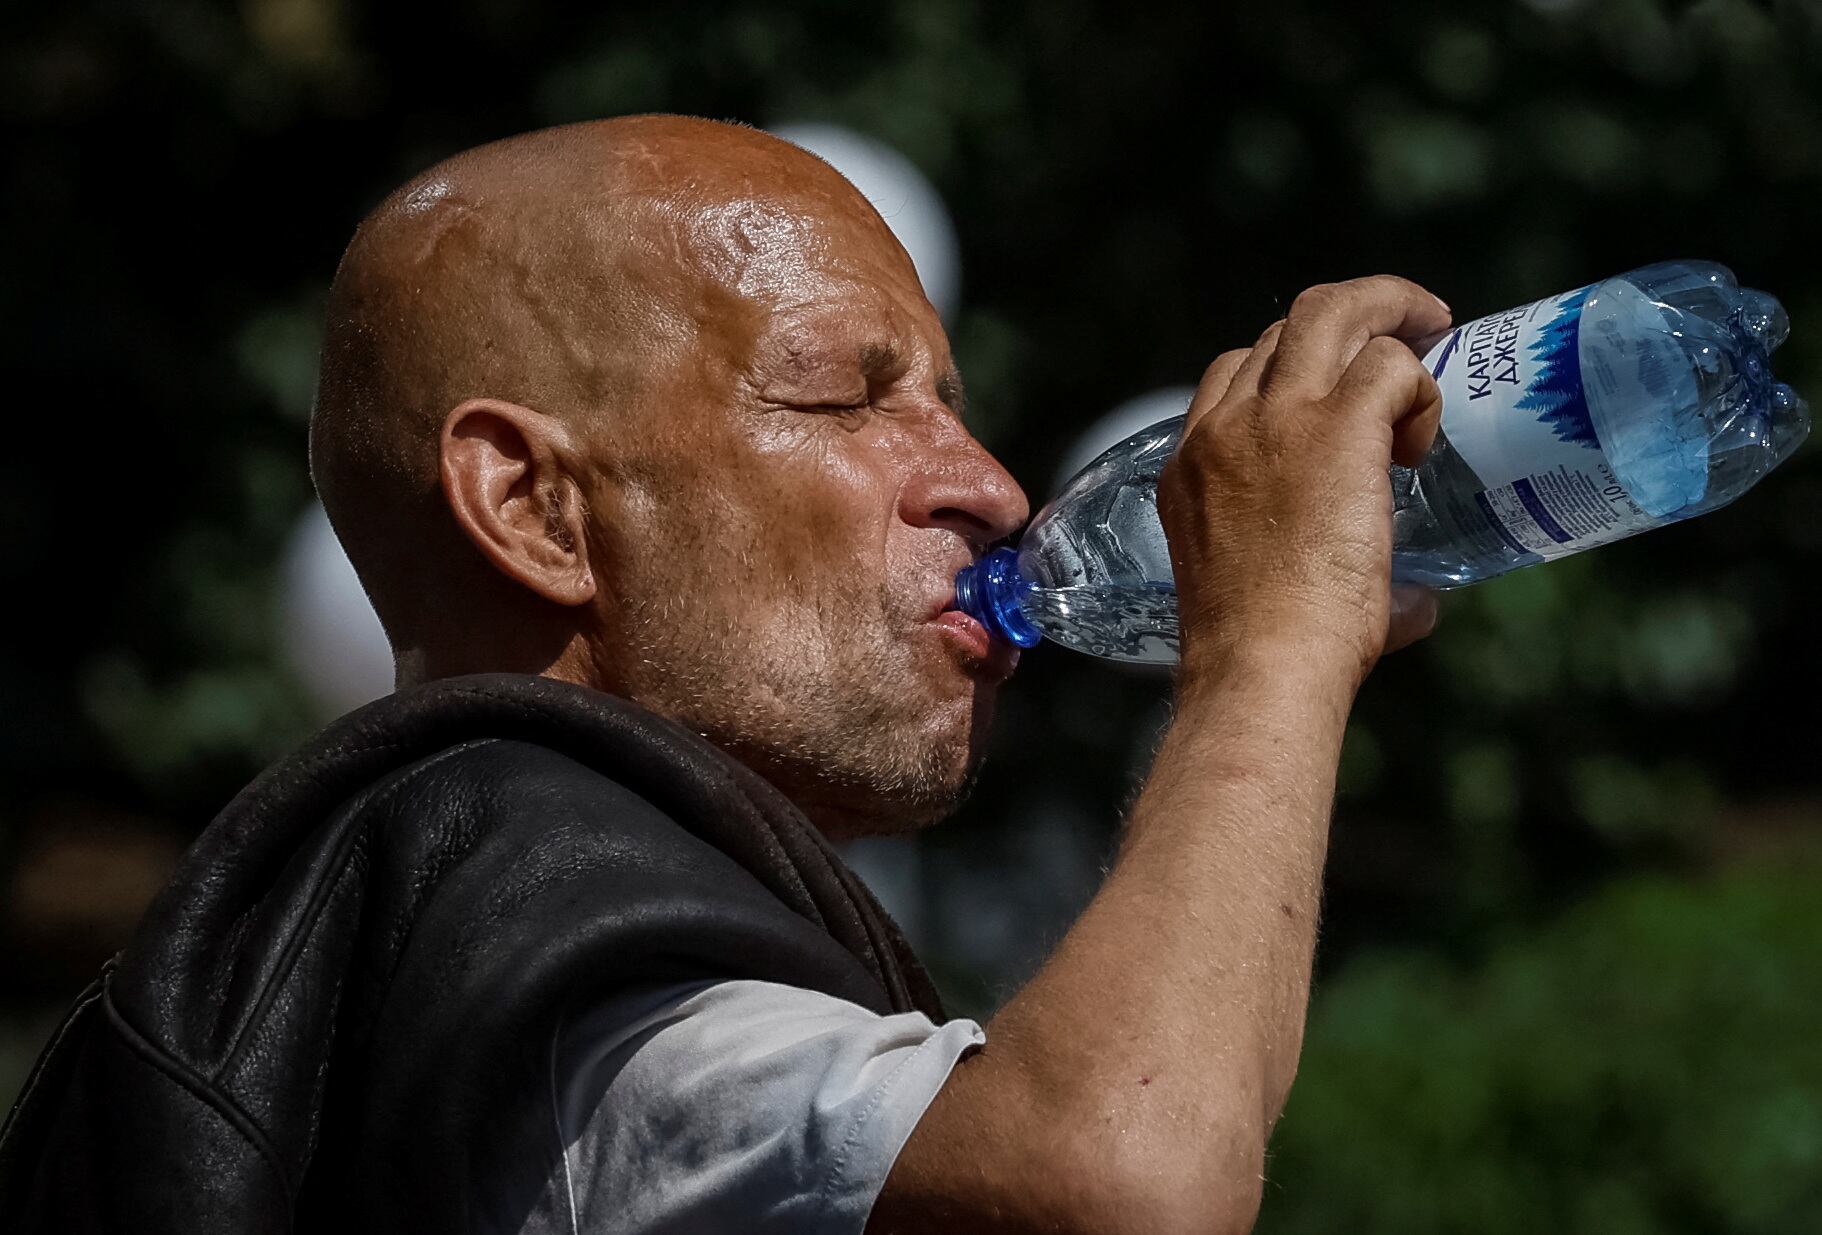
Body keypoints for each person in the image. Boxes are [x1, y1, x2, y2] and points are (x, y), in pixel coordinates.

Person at [1, 114, 1448, 1235]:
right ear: (534, 508)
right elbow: (1113, 1185)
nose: (994, 490)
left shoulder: (461, 919)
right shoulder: (516, 893)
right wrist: (1272, 647)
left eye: (948, 407)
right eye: (840, 394)